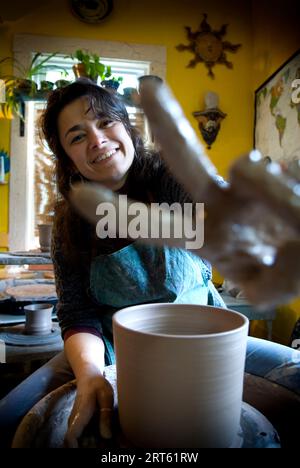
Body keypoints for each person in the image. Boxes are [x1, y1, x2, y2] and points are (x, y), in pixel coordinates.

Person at [0, 79, 225, 447]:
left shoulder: (167, 177)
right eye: (77, 137)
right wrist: (89, 374)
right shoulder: (71, 223)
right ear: (67, 157)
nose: (97, 140)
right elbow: (77, 312)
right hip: (113, 351)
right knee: (12, 417)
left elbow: (209, 199)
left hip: (206, 340)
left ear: (126, 126)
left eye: (105, 122)